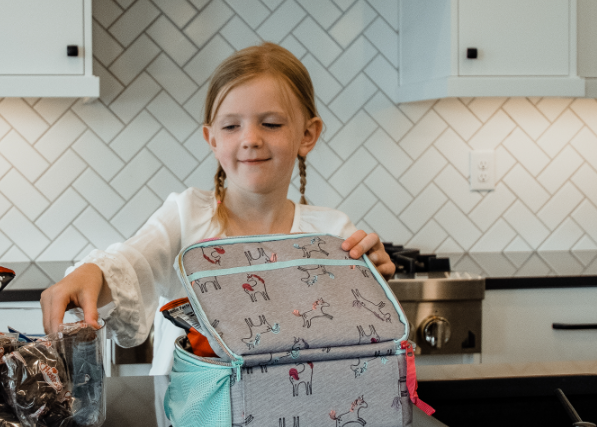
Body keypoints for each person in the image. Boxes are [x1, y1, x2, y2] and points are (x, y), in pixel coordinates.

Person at [39, 42, 395, 374]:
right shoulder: (187, 216)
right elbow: (130, 265)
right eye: (231, 126)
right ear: (212, 139)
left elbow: (359, 340)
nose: (251, 139)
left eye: (271, 124)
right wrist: (91, 273)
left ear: (307, 134)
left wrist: (374, 288)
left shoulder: (332, 233)